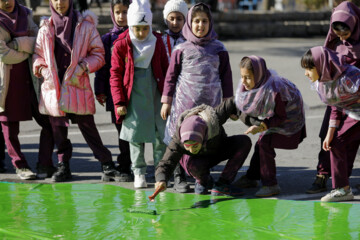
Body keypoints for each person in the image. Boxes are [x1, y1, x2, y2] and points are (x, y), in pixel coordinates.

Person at [32, 0, 121, 182]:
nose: (59, 3)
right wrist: (42, 70)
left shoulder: (85, 27)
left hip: (76, 84)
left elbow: (99, 53)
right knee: (58, 130)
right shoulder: (45, 29)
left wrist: (83, 67)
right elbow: (38, 56)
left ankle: (106, 164)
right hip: (54, 88)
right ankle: (63, 165)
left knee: (88, 127)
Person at [110, 0, 169, 188]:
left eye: (145, 28)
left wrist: (168, 97)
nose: (142, 33)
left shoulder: (157, 41)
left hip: (155, 91)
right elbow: (115, 74)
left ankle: (161, 171)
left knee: (161, 133)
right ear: (130, 26)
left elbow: (166, 69)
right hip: (133, 93)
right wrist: (119, 101)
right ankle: (139, 171)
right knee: (135, 134)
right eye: (137, 29)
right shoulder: (121, 44)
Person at [161, 3, 233, 145]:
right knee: (183, 137)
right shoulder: (181, 49)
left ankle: (201, 166)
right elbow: (171, 78)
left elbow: (226, 76)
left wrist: (228, 104)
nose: (200, 25)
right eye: (196, 21)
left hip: (211, 105)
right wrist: (166, 102)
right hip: (184, 104)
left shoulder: (219, 49)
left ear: (210, 23)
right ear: (189, 23)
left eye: (204, 21)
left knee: (207, 136)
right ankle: (180, 167)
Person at [234, 56, 306, 197]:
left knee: (265, 144)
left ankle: (271, 184)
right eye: (242, 76)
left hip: (290, 120)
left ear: (259, 74)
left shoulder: (274, 91)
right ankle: (252, 177)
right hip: (276, 116)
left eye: (248, 77)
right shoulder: (257, 84)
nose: (243, 81)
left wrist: (262, 126)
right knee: (261, 144)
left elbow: (281, 116)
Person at [308, 1, 360, 194]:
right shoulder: (334, 44)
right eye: (337, 34)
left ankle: (343, 180)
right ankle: (322, 175)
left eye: (345, 33)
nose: (341, 37)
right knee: (328, 135)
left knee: (350, 139)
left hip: (357, 101)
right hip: (337, 98)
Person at [0, 0, 56, 180]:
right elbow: (4, 55)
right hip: (8, 82)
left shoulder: (25, 13)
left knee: (48, 121)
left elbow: (38, 42)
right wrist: (26, 50)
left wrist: (16, 44)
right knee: (9, 126)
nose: (7, 2)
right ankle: (21, 166)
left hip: (30, 79)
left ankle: (44, 163)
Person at [154, 100, 252, 196]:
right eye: (188, 146)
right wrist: (161, 179)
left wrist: (255, 123)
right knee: (195, 169)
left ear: (202, 137)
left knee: (244, 142)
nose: (192, 150)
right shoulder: (178, 140)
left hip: (217, 148)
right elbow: (166, 162)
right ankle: (203, 180)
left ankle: (223, 184)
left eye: (195, 145)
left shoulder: (214, 119)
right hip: (196, 163)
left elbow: (234, 102)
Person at [301, 46, 360, 202]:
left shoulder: (350, 76)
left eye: (309, 69)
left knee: (340, 142)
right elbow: (335, 106)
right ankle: (342, 188)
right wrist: (329, 134)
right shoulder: (327, 80)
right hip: (354, 114)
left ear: (321, 65)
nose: (306, 73)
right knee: (336, 142)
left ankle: (342, 188)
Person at [95, 0, 132, 182]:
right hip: (114, 95)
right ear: (112, 13)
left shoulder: (138, 34)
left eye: (125, 12)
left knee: (134, 130)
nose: (121, 16)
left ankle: (130, 164)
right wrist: (99, 90)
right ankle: (125, 164)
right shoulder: (107, 39)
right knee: (121, 131)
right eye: (118, 12)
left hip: (135, 93)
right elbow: (102, 69)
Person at [161, 0, 189, 193]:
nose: (175, 22)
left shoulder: (190, 41)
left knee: (188, 131)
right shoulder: (161, 40)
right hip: (168, 93)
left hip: (187, 93)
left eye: (179, 18)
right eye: (172, 18)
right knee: (173, 133)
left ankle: (192, 170)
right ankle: (177, 173)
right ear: (166, 19)